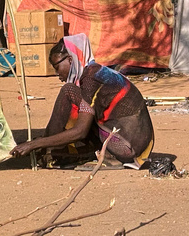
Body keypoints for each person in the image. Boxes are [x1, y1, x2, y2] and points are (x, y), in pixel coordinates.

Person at [10, 35, 155, 169]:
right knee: (70, 92)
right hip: (134, 142)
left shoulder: (91, 79)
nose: (57, 73)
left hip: (126, 147)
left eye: (57, 67)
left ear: (70, 60)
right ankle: (49, 148)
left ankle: (51, 151)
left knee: (68, 92)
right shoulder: (94, 72)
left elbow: (80, 131)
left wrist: (34, 144)